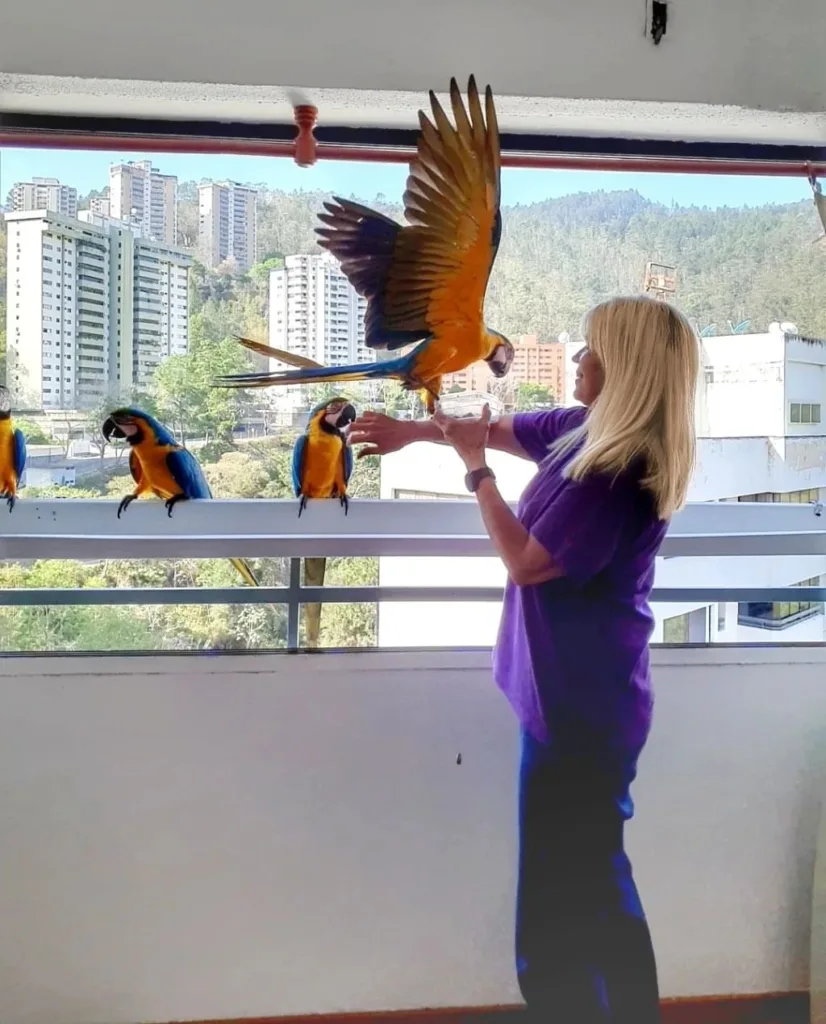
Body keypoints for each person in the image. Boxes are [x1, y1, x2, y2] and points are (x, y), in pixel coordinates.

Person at [349, 294, 699, 1024]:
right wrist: (416, 432)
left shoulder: (616, 470)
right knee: (595, 881)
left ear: (626, 366)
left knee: (559, 902)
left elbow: (527, 562)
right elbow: (497, 428)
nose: (576, 360)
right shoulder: (585, 431)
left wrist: (476, 474)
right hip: (569, 698)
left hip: (581, 710)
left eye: (591, 349)